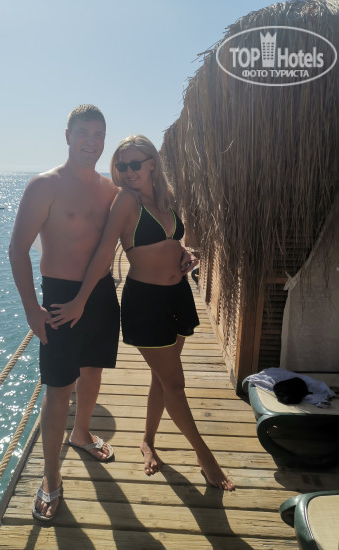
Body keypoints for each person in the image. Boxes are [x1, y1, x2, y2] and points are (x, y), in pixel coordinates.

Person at [48, 135, 235, 491]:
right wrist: (80, 300)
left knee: (162, 379)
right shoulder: (126, 201)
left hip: (178, 296)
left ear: (152, 163)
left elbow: (171, 239)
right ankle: (205, 456)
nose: (128, 171)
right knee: (174, 384)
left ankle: (147, 440)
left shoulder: (166, 197)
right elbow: (104, 252)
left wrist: (186, 253)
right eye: (122, 166)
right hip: (146, 303)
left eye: (135, 164)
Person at [9, 105, 120, 521]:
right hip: (58, 298)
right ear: (68, 136)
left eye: (99, 134)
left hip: (100, 293)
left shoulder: (110, 190)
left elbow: (127, 239)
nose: (92, 142)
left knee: (93, 372)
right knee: (58, 388)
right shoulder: (45, 186)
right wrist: (30, 309)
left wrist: (181, 255)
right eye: (84, 133)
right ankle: (51, 477)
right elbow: (17, 249)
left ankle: (82, 432)